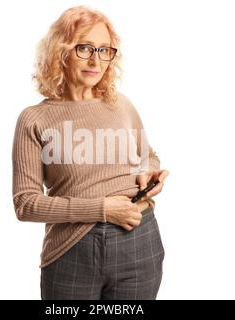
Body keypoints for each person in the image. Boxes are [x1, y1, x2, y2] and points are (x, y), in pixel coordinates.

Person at [12, 5, 170, 300]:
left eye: (105, 50)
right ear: (61, 51)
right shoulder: (34, 119)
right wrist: (102, 209)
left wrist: (148, 173)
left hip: (139, 238)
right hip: (73, 249)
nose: (96, 60)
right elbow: (26, 204)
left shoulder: (120, 104)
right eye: (85, 48)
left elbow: (148, 155)